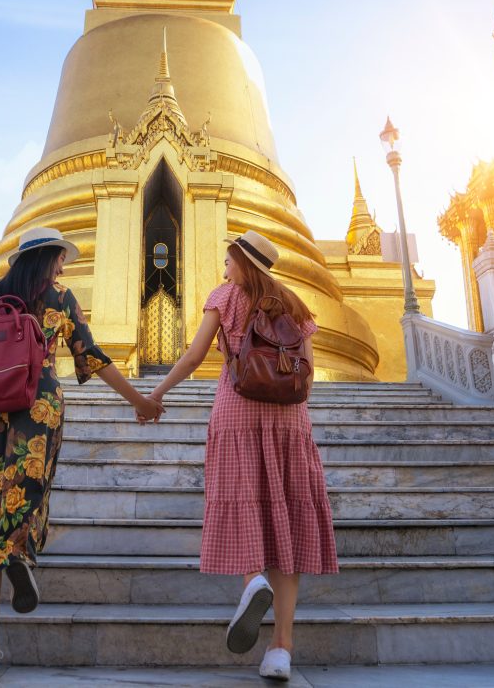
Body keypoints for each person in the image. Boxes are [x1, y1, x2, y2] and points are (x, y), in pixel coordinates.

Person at [0, 226, 164, 686]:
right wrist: (139, 399)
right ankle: (18, 549)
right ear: (50, 259)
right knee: (24, 498)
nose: (64, 266)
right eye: (61, 259)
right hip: (38, 406)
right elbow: (89, 356)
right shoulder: (61, 298)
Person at [150, 230, 338, 682]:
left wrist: (154, 394)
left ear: (241, 261)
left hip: (237, 409)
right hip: (289, 420)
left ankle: (253, 579)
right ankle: (281, 650)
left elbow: (195, 356)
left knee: (243, 504)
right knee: (287, 526)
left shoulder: (225, 297)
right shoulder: (294, 303)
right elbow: (307, 372)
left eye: (229, 260)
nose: (225, 268)